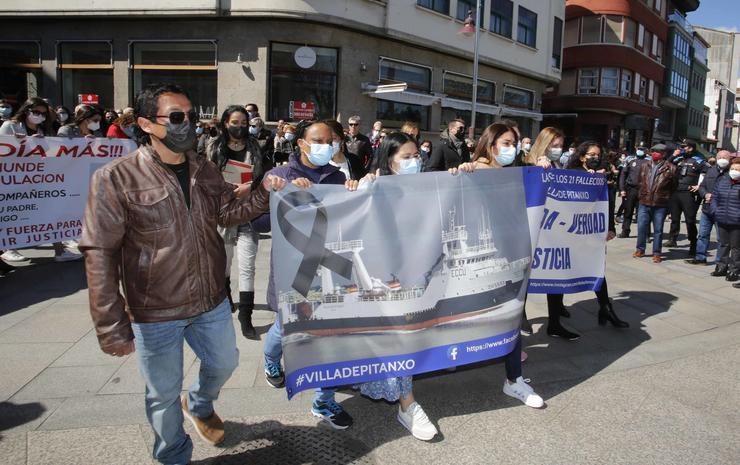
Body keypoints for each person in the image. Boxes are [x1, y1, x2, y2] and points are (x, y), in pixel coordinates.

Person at [79, 83, 287, 465]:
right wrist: (110, 322)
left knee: (225, 363)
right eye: (176, 117)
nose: (187, 124)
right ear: (147, 124)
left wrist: (264, 193)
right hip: (155, 309)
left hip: (209, 300)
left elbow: (226, 213)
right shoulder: (116, 178)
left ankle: (199, 403)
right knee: (161, 393)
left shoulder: (203, 168)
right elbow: (99, 253)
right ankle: (173, 454)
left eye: (190, 116)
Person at [254, 121, 355, 430]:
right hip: (294, 271)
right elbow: (258, 224)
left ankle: (324, 400)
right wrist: (271, 194)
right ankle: (272, 359)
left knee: (334, 333)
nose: (326, 145)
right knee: (284, 327)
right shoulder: (280, 176)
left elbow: (350, 219)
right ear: (300, 143)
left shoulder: (338, 177)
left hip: (329, 267)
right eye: (318, 140)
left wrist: (355, 192)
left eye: (331, 141)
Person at [447, 122, 545, 408]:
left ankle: (514, 379)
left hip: (511, 251)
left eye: (514, 143)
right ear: (490, 145)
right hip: (481, 254)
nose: (511, 148)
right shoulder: (474, 169)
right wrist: (464, 170)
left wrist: (542, 166)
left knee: (512, 313)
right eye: (505, 143)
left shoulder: (518, 173)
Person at [349, 132, 440, 440]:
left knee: (405, 338)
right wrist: (358, 188)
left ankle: (404, 399)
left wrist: (461, 173)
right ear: (389, 160)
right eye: (407, 157)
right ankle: (407, 404)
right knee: (396, 338)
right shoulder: (372, 185)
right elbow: (355, 219)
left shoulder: (426, 188)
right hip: (385, 278)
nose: (415, 162)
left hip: (416, 275)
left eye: (417, 156)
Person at [206, 105, 268, 339]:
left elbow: (262, 176)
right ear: (225, 123)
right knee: (225, 263)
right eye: (235, 122)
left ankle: (246, 316)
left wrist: (249, 187)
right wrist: (225, 189)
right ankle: (226, 294)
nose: (240, 127)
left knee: (248, 266)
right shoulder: (214, 146)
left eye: (244, 123)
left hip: (248, 212)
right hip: (222, 213)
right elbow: (206, 178)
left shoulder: (255, 146)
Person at [687, 150, 733, 266]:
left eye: (725, 157)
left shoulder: (732, 173)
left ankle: (720, 262)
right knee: (702, 235)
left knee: (721, 238)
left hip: (722, 210)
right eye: (720, 157)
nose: (722, 159)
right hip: (707, 209)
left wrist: (716, 197)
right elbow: (702, 186)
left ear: (729, 159)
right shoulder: (711, 170)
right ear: (716, 158)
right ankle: (700, 258)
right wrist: (705, 194)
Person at [633, 144, 678, 263]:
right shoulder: (645, 165)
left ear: (664, 154)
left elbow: (674, 186)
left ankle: (657, 253)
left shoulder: (671, 168)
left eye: (658, 152)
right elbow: (640, 181)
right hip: (644, 201)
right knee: (642, 227)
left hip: (660, 203)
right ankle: (640, 249)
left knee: (658, 229)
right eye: (654, 151)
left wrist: (666, 197)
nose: (655, 154)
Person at [665, 140, 705, 255]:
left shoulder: (698, 160)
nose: (682, 149)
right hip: (676, 191)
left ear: (691, 148)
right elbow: (666, 164)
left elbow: (707, 174)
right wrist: (673, 155)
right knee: (675, 217)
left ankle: (693, 244)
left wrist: (699, 186)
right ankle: (672, 239)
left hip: (688, 193)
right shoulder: (679, 158)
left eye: (685, 147)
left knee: (690, 220)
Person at [707, 156, 740, 285]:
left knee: (736, 247)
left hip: (736, 221)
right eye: (732, 168)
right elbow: (715, 197)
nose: (734, 171)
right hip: (722, 218)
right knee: (723, 244)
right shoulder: (723, 180)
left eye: (737, 169)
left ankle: (734, 270)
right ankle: (721, 266)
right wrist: (715, 209)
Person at [617, 144, 649, 238]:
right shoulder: (630, 160)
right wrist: (622, 189)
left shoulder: (649, 161)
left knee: (643, 213)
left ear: (646, 150)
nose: (640, 150)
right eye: (639, 148)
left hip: (643, 190)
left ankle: (645, 234)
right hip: (631, 189)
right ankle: (625, 231)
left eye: (642, 149)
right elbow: (623, 175)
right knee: (628, 211)